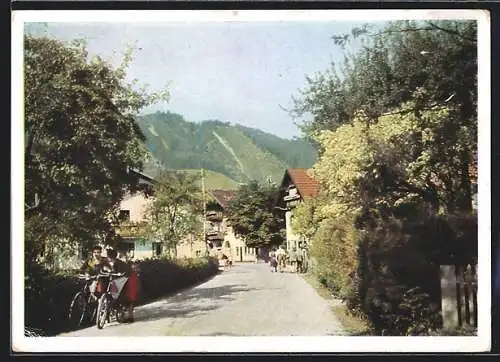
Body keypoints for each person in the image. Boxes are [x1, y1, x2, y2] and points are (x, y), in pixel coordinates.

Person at [106, 248, 138, 323]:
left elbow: (123, 274)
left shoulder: (120, 264)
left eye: (108, 257)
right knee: (117, 295)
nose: (108, 259)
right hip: (122, 280)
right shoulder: (110, 262)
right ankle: (122, 314)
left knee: (128, 297)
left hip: (130, 279)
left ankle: (130, 317)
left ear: (110, 257)